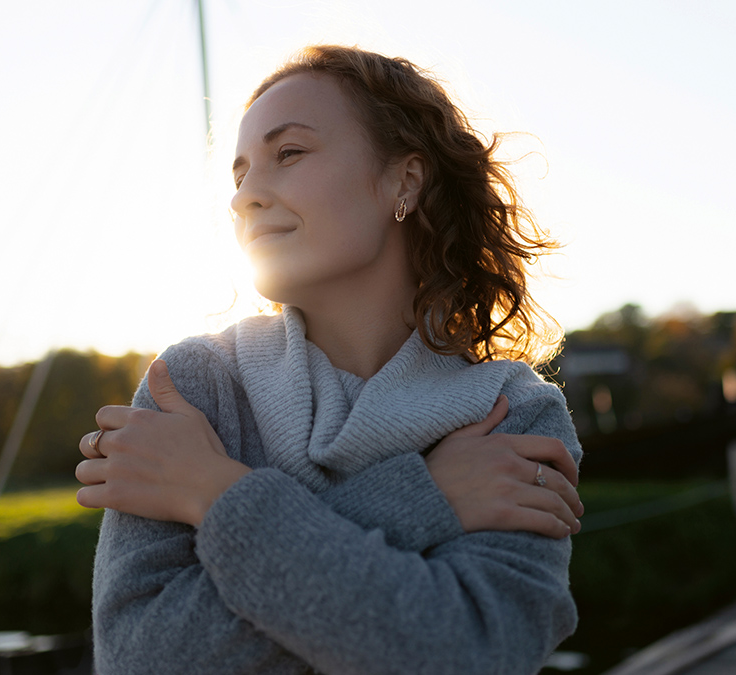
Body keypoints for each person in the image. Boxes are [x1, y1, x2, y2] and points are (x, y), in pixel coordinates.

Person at [75, 45, 583, 675]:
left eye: (288, 154)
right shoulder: (194, 388)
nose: (245, 198)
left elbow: (472, 654)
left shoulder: (511, 413)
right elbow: (142, 657)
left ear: (404, 180)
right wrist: (419, 500)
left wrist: (212, 491)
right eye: (239, 175)